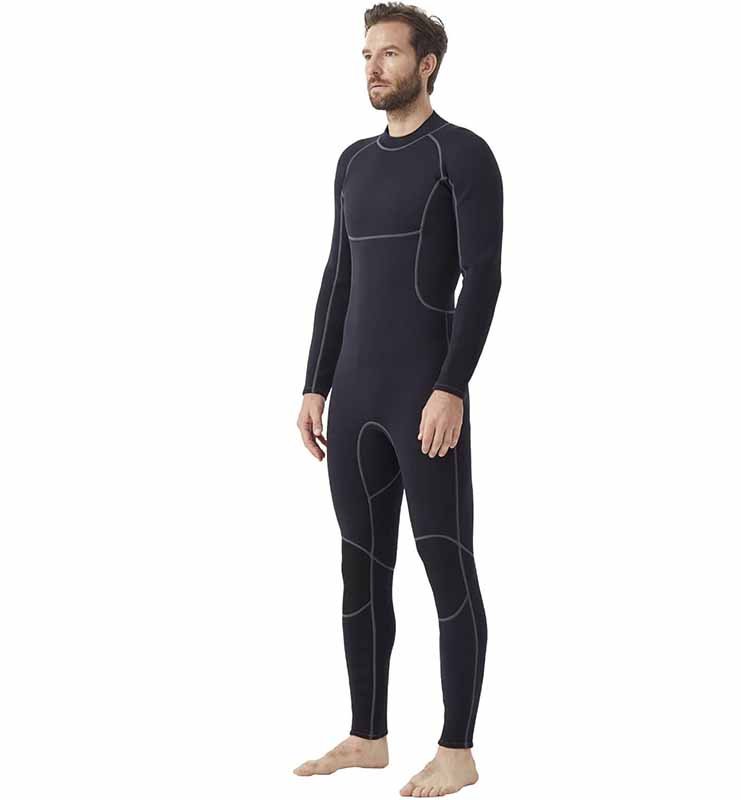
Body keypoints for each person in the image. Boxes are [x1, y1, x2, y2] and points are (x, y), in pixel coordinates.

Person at [294, 4, 503, 795]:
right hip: (354, 400)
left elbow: (484, 277)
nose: (374, 67)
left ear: (428, 64)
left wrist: (451, 384)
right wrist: (315, 383)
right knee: (361, 567)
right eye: (366, 55)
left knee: (444, 561)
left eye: (389, 54)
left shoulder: (462, 153)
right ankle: (367, 735)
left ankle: (457, 750)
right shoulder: (353, 161)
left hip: (424, 393)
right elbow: (338, 276)